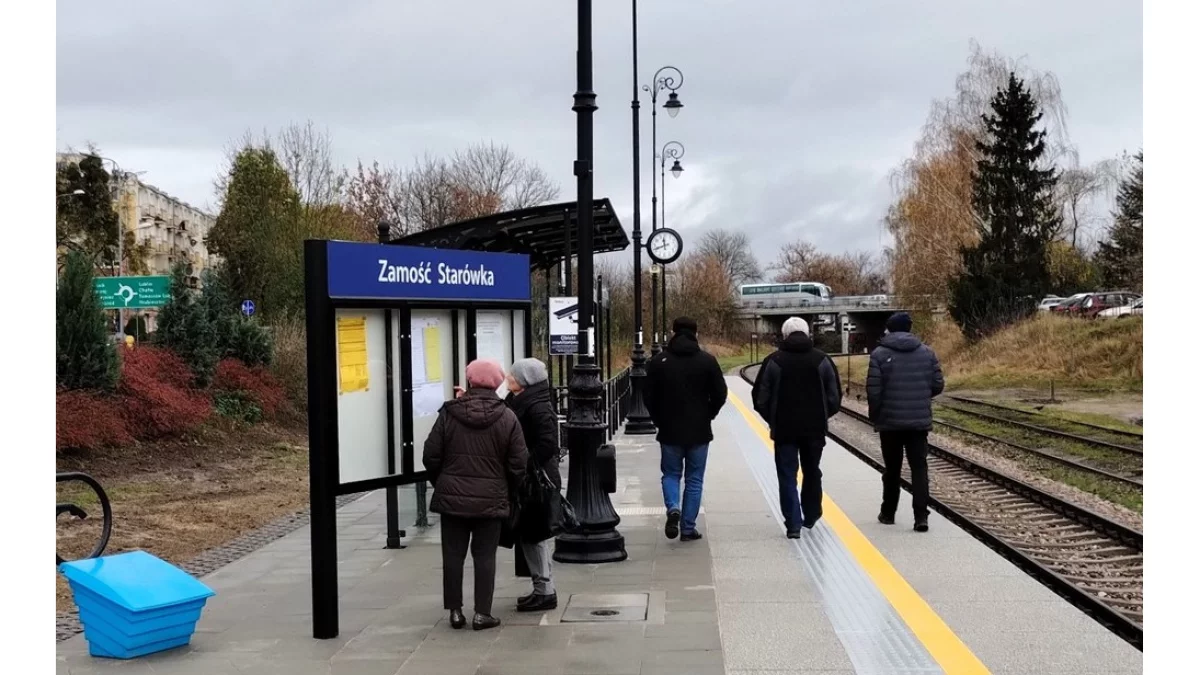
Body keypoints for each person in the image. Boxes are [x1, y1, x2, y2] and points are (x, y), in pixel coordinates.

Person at [423, 359, 528, 631]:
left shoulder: (449, 413)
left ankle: (455, 611)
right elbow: (519, 464)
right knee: (485, 556)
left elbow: (430, 455)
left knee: (453, 555)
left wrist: (444, 482)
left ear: (469, 381)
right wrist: (506, 489)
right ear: (497, 383)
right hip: (491, 499)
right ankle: (483, 613)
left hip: (453, 500)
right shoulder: (507, 417)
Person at [752, 317, 842, 538]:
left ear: (785, 335)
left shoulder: (774, 361)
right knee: (812, 471)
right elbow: (834, 397)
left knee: (787, 474)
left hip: (784, 429)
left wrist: (773, 419)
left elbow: (760, 398)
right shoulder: (823, 360)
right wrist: (822, 416)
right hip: (815, 429)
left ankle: (793, 524)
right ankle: (811, 515)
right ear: (807, 333)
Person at [645, 317, 728, 541]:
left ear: (673, 332)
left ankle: (673, 507)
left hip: (670, 429)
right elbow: (721, 394)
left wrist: (659, 419)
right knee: (694, 479)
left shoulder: (658, 361)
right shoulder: (707, 361)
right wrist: (708, 413)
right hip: (699, 430)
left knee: (671, 474)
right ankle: (688, 528)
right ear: (696, 333)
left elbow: (648, 396)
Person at [866, 312, 945, 533]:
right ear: (909, 329)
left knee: (892, 469)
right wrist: (920, 395)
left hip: (890, 423)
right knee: (919, 468)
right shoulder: (927, 353)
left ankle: (888, 513)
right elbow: (938, 384)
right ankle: (921, 517)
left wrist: (876, 416)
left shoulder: (879, 354)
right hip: (918, 423)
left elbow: (874, 391)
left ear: (889, 329)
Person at [503, 357, 561, 613]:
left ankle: (545, 591)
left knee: (534, 535)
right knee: (530, 535)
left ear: (524, 380)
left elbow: (547, 445)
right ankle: (541, 588)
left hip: (536, 481)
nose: (508, 377)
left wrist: (523, 463)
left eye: (513, 376)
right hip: (531, 478)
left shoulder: (536, 407)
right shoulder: (522, 401)